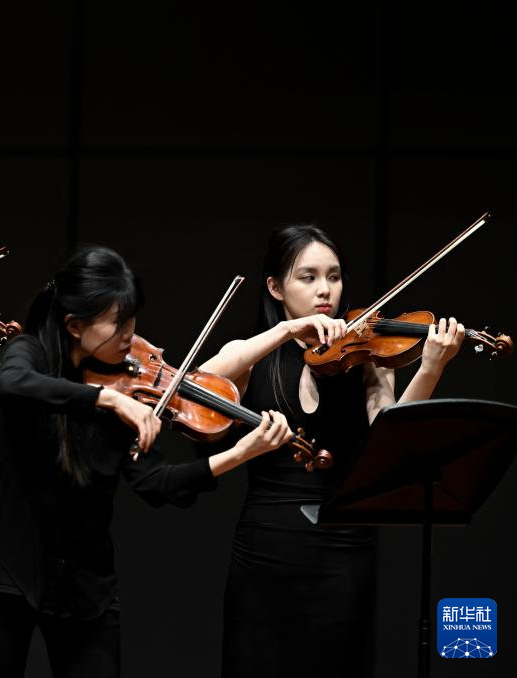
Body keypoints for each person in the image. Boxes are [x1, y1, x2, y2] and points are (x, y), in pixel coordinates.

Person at [0, 245, 295, 678]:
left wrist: (240, 453)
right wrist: (107, 398)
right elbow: (13, 382)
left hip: (86, 590)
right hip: (4, 577)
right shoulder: (32, 355)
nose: (130, 336)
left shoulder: (129, 391)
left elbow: (158, 484)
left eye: (132, 321)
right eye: (118, 323)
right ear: (75, 325)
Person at [197, 224, 465, 677]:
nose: (325, 290)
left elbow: (392, 444)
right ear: (275, 287)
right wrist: (286, 331)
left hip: (344, 550)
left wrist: (431, 368)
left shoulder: (366, 353)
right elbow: (195, 385)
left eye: (334, 276)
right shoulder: (252, 354)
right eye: (308, 277)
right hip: (265, 548)